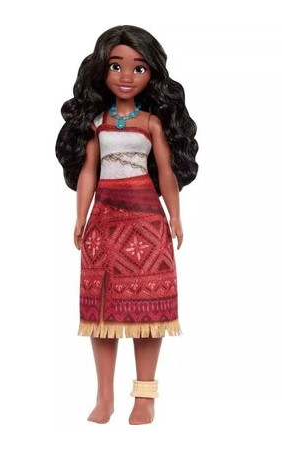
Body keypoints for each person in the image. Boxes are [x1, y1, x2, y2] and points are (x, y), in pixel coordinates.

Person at [55, 25, 198, 425]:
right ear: (102, 69)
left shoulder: (151, 123)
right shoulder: (97, 124)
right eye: (116, 66)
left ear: (152, 74)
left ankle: (145, 397)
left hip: (146, 220)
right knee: (101, 311)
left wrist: (175, 214)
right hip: (103, 222)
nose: (126, 76)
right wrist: (80, 216)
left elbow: (165, 172)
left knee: (150, 308)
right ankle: (104, 397)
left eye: (139, 68)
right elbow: (89, 171)